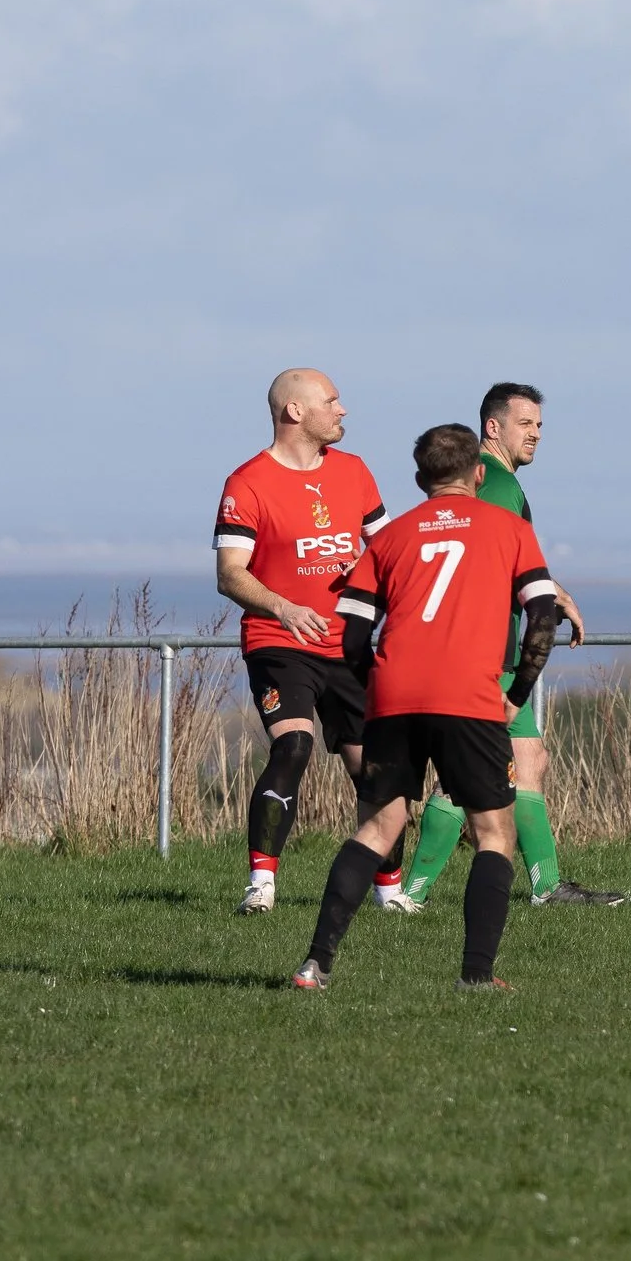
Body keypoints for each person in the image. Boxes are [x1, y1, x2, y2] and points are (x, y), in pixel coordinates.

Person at [291, 424, 563, 991]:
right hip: (470, 697)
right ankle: (476, 977)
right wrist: (515, 696)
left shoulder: (389, 539)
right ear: (478, 473)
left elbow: (352, 635)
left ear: (420, 480)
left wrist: (376, 689)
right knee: (493, 832)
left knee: (377, 827)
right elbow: (541, 618)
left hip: (395, 698)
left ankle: (315, 964)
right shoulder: (510, 529)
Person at [399, 383, 623, 907]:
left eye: (540, 426)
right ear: (492, 428)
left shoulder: (494, 481)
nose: (536, 435)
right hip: (484, 656)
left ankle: (545, 886)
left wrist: (554, 593)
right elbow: (489, 558)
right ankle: (410, 893)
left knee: (529, 759)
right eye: (526, 424)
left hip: (476, 652)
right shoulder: (496, 484)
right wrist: (547, 599)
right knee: (469, 773)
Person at [213, 369, 407, 915]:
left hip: (348, 644)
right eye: (332, 400)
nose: (343, 410)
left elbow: (388, 551)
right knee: (293, 746)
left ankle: (389, 892)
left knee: (377, 766)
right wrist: (282, 606)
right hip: (280, 640)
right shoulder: (246, 482)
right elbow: (231, 573)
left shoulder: (355, 472)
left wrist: (367, 571)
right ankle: (261, 883)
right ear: (295, 411)